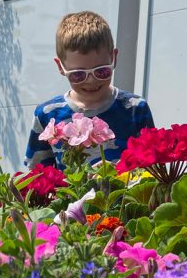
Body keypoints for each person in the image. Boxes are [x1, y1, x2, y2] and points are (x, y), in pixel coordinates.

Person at [25, 11, 155, 169]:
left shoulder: (135, 108)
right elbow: (37, 178)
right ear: (60, 67)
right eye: (78, 74)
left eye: (101, 71)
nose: (91, 80)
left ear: (114, 58)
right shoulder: (46, 114)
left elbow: (153, 169)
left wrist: (118, 175)